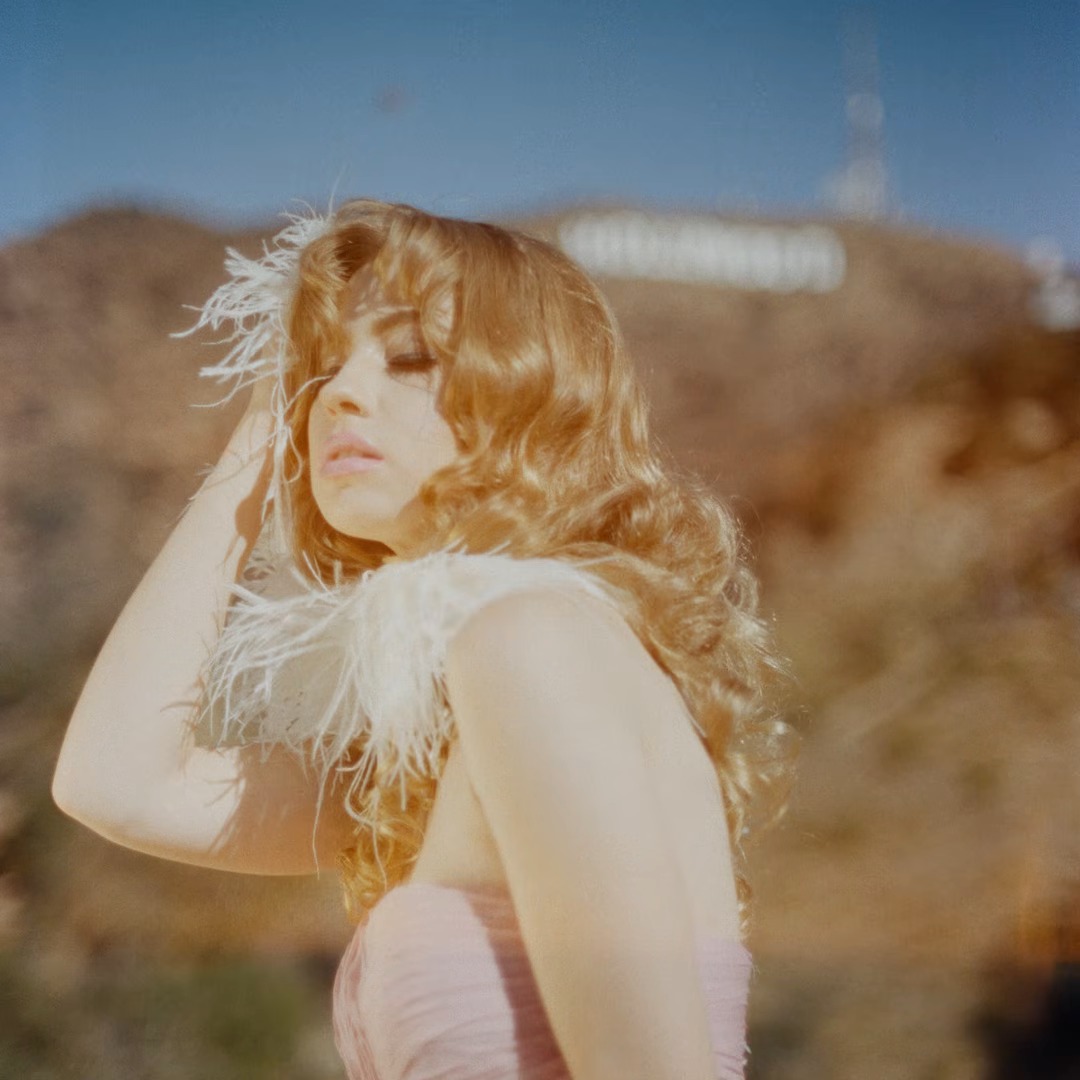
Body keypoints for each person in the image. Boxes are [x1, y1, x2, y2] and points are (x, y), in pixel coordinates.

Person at [51, 199, 795, 1079]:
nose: (338, 394)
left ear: (531, 394)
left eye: (408, 358)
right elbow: (114, 782)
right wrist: (260, 435)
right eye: (321, 369)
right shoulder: (433, 739)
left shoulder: (533, 641)